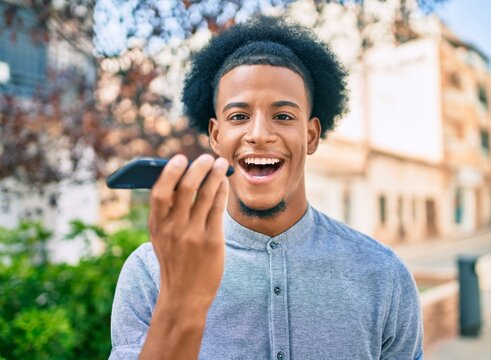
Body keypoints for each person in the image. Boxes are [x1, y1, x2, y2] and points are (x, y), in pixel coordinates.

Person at [109, 15, 423, 360]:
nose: (258, 134)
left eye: (284, 116)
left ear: (311, 135)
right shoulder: (148, 272)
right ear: (216, 136)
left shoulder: (383, 275)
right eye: (239, 116)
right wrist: (182, 300)